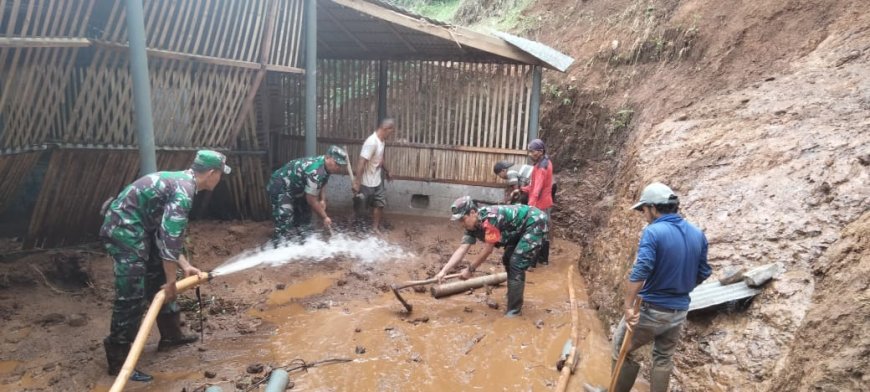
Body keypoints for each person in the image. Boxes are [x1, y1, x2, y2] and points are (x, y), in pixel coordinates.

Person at [100, 150, 231, 382]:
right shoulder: (184, 192)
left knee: (157, 276)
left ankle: (171, 336)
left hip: (143, 229)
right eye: (220, 175)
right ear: (211, 173)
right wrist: (172, 282)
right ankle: (119, 360)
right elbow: (170, 238)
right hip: (124, 229)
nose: (220, 180)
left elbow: (165, 234)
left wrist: (185, 265)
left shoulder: (183, 182)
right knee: (132, 291)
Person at [604, 182, 711, 392]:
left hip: (651, 308)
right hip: (679, 311)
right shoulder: (697, 234)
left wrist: (628, 304)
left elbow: (642, 269)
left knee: (622, 348)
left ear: (653, 208)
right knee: (663, 358)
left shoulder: (653, 232)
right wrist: (682, 286)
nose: (644, 214)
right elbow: (704, 272)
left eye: (644, 209)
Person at [434, 196, 548, 317]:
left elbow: (488, 250)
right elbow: (462, 249)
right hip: (517, 230)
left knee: (516, 262)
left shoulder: (490, 219)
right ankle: (513, 295)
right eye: (459, 221)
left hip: (534, 222)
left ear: (472, 213)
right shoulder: (471, 227)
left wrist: (470, 269)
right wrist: (443, 271)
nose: (461, 223)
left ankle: (514, 312)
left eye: (463, 219)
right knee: (507, 259)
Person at [267, 145, 349, 243]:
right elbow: (311, 200)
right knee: (285, 216)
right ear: (327, 157)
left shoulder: (326, 166)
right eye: (336, 163)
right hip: (280, 185)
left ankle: (301, 240)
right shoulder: (316, 171)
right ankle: (278, 245)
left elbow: (322, 182)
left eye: (340, 165)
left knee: (304, 214)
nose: (338, 167)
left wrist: (322, 199)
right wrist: (324, 217)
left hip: (296, 187)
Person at [352, 119, 395, 233]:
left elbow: (380, 159)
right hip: (366, 182)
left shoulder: (382, 141)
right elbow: (361, 161)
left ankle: (374, 228)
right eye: (391, 131)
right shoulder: (371, 142)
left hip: (377, 180)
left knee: (379, 204)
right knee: (361, 208)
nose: (391, 134)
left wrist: (387, 171)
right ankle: (357, 230)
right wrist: (357, 182)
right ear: (386, 129)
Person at [516, 139, 554, 266]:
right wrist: (522, 189)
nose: (530, 154)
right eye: (530, 151)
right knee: (543, 230)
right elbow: (533, 187)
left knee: (536, 231)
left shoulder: (541, 167)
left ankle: (534, 261)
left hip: (540, 204)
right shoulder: (543, 163)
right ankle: (543, 259)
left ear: (540, 151)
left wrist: (530, 207)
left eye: (533, 152)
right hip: (544, 202)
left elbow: (537, 189)